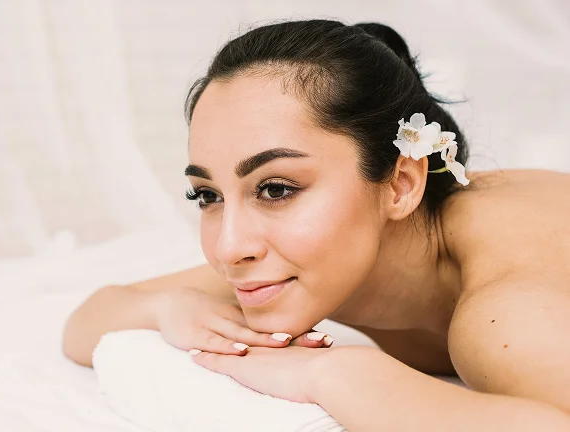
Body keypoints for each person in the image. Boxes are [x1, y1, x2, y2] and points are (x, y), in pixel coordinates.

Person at [63, 20, 570, 430]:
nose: (229, 248)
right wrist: (167, 306)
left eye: (276, 189)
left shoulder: (509, 309)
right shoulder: (321, 259)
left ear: (400, 185)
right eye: (208, 196)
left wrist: (339, 375)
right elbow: (87, 321)